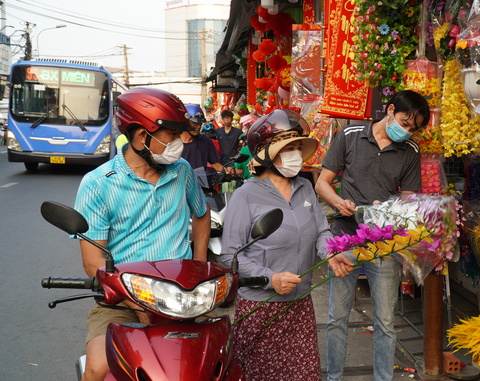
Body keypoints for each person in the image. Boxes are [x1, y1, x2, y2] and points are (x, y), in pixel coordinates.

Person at [73, 88, 211, 381]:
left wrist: (199, 266)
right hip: (121, 300)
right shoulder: (97, 184)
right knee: (97, 369)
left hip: (181, 296)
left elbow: (201, 214)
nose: (179, 144)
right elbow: (92, 261)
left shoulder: (182, 171)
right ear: (140, 137)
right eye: (171, 136)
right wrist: (136, 303)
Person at [315, 90, 430, 381]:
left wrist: (388, 210)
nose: (406, 132)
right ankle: (334, 377)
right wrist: (339, 203)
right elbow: (323, 183)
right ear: (389, 110)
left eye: (412, 129)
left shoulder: (410, 152)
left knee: (386, 322)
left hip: (384, 245)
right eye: (404, 122)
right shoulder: (351, 134)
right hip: (344, 239)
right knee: (337, 318)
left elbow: (409, 203)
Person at [221, 109, 332, 381]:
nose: (295, 154)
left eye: (297, 147)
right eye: (287, 148)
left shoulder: (305, 187)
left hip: (300, 307)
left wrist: (333, 252)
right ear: (266, 153)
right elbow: (229, 258)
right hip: (262, 308)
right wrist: (271, 278)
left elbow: (322, 231)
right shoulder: (245, 196)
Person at [180, 104, 232, 174]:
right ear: (185, 123)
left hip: (199, 183)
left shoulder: (205, 140)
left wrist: (226, 170)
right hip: (179, 183)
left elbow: (215, 164)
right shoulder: (173, 141)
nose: (198, 126)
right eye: (195, 123)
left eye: (200, 123)